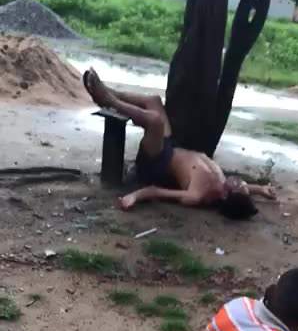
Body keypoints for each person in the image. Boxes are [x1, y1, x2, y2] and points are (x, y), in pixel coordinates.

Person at [83, 68, 276, 220]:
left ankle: (110, 101)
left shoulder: (196, 195)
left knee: (155, 121)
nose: (241, 182)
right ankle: (109, 94)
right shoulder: (223, 183)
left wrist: (133, 196)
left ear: (226, 195)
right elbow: (244, 190)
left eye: (239, 185)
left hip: (156, 162)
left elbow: (157, 191)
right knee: (154, 101)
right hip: (171, 147)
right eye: (244, 185)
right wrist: (261, 190)